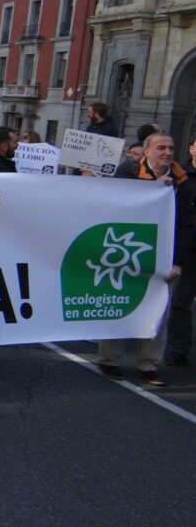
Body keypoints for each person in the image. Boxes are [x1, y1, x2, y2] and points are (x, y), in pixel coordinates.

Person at [97, 134, 194, 385]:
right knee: (120, 303)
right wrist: (150, 189)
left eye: (171, 147)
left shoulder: (181, 180)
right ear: (147, 152)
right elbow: (115, 204)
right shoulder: (127, 172)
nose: (167, 152)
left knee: (158, 311)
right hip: (128, 250)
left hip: (163, 254)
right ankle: (109, 359)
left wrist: (178, 262)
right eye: (161, 147)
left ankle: (148, 363)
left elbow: (186, 223)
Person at [164, 132, 196, 367]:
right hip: (190, 249)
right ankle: (178, 349)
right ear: (192, 149)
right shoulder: (181, 178)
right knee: (181, 303)